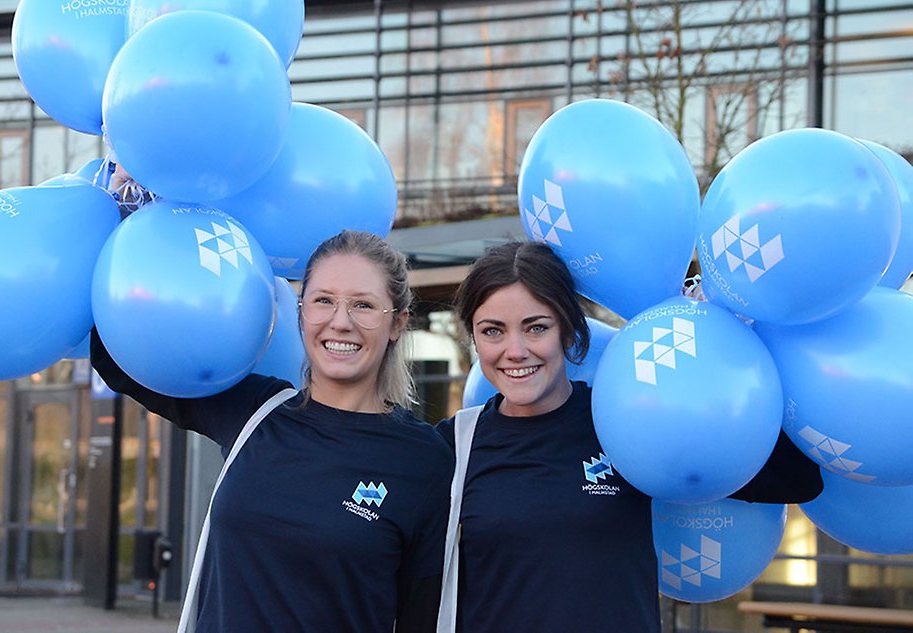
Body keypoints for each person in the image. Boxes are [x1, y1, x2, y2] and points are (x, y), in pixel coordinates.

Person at [437, 241, 823, 632]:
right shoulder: (453, 448)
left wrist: (725, 335)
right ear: (474, 337)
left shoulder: (624, 419)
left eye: (537, 327)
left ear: (569, 332)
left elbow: (797, 479)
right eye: (493, 331)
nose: (515, 351)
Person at [91, 230, 453, 633]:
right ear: (301, 312)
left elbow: (424, 616)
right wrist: (128, 214)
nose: (340, 322)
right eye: (323, 301)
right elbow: (121, 358)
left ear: (397, 323)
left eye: (363, 306)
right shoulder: (255, 411)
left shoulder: (424, 459)